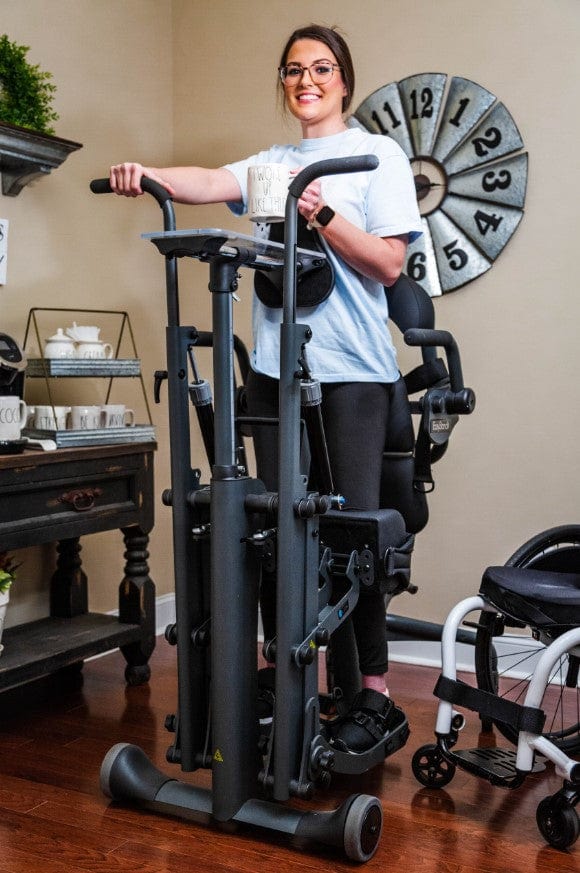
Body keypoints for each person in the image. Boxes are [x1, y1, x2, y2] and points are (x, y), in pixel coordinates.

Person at [109, 23, 422, 754]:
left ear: (343, 79)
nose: (305, 79)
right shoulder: (274, 162)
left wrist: (319, 210)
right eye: (292, 70)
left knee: (349, 537)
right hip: (280, 374)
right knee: (281, 531)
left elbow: (387, 265)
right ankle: (290, 680)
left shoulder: (377, 154)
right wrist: (147, 175)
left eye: (320, 68)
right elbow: (211, 181)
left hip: (353, 373)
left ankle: (372, 694)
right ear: (284, 85)